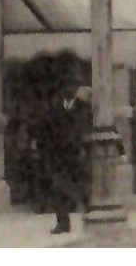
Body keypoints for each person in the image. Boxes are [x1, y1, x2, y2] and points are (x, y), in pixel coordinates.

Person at [37, 78, 90, 235]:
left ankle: (90, 216)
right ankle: (63, 222)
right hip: (59, 157)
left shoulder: (85, 109)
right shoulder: (54, 110)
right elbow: (45, 132)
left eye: (72, 87)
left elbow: (90, 128)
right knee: (58, 188)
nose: (69, 90)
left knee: (82, 187)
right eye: (66, 87)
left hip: (78, 155)